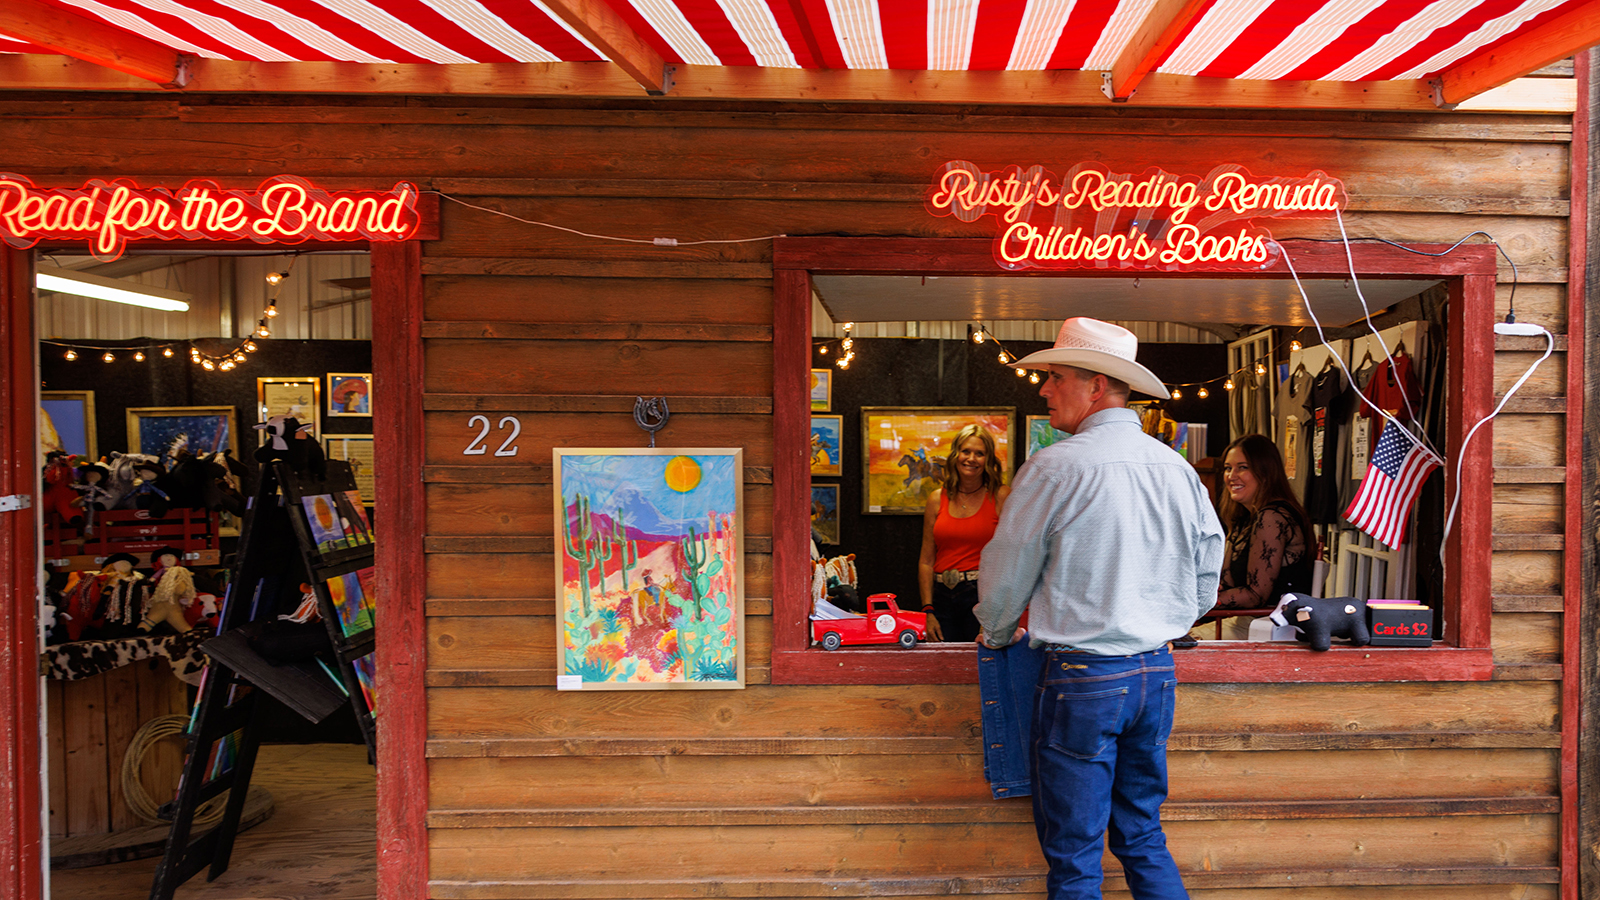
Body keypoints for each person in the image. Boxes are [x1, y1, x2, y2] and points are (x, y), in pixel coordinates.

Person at [976, 317, 1224, 900]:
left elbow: (1007, 574)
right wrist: (1171, 617)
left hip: (1084, 679)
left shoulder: (1055, 467)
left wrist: (996, 629)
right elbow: (1208, 568)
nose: (1042, 388)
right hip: (1155, 673)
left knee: (1075, 856)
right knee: (1141, 836)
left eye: (1053, 377)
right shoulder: (1175, 468)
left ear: (1095, 387)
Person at [917, 424, 1011, 642]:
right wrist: (927, 611)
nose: (971, 458)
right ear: (955, 455)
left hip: (981, 595)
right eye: (966, 451)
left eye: (980, 453)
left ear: (988, 459)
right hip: (941, 596)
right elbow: (926, 561)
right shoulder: (935, 498)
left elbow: (1009, 560)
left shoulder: (1001, 496)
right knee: (942, 669)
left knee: (978, 666)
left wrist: (993, 612)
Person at [1215, 434, 1315, 615]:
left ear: (1266, 472)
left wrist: (1203, 601)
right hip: (1245, 619)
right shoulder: (1245, 517)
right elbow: (1227, 581)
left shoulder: (1272, 517)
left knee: (1172, 641)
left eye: (1243, 468)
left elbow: (1255, 595)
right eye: (1228, 468)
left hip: (1273, 625)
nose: (1231, 476)